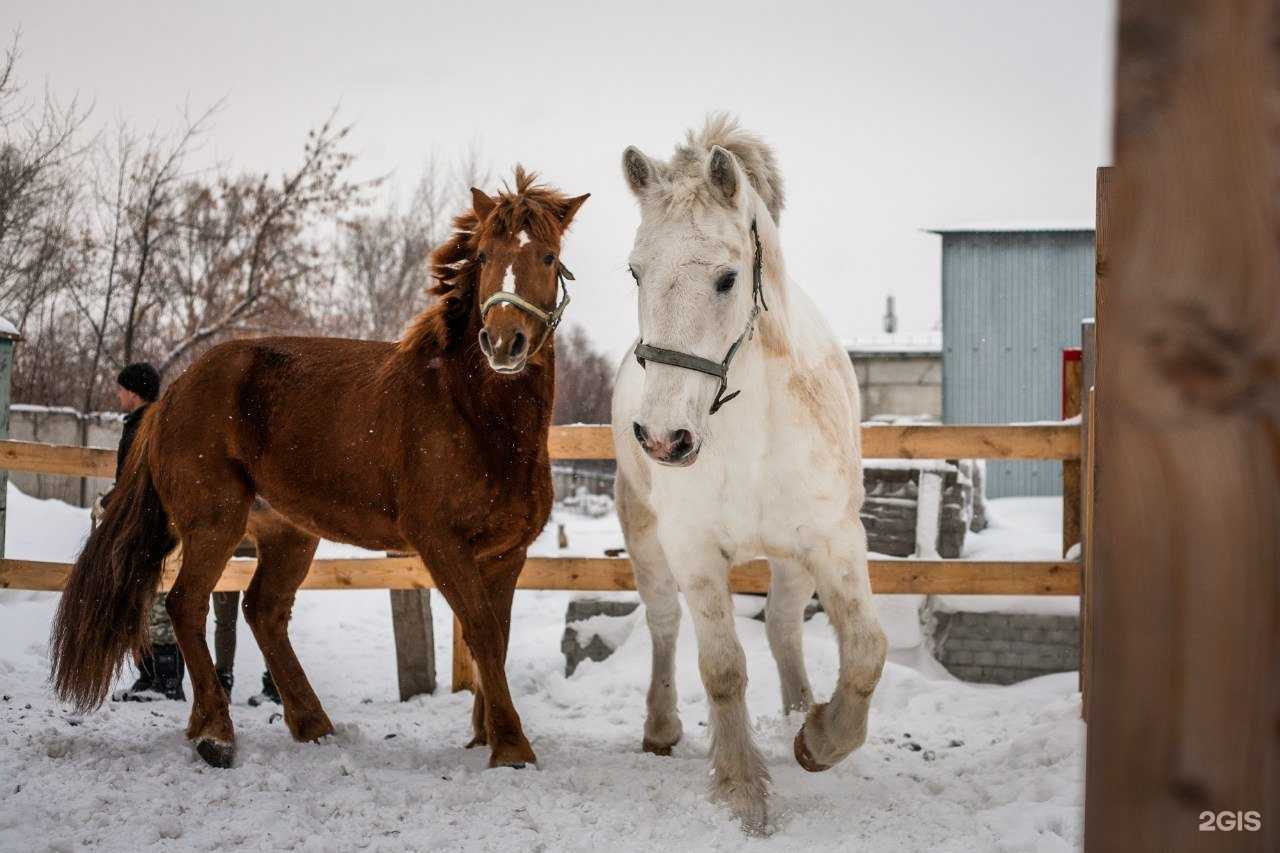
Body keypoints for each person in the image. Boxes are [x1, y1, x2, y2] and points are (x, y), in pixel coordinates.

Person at [100, 363, 187, 702]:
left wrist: (115, 503)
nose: (118, 394)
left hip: (152, 522)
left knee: (158, 600)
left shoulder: (149, 426)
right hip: (141, 519)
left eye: (121, 389)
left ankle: (166, 680)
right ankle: (150, 676)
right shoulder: (141, 424)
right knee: (144, 597)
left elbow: (139, 476)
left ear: (133, 392)